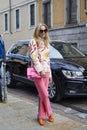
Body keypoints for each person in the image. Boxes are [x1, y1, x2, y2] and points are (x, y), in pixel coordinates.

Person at [29, 23, 54, 125]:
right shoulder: (33, 41)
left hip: (47, 71)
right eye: (41, 30)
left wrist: (50, 74)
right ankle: (50, 113)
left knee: (42, 95)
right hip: (38, 72)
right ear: (37, 31)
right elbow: (34, 57)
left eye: (45, 30)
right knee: (45, 94)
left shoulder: (46, 42)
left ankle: (41, 116)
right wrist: (40, 70)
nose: (43, 32)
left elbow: (48, 60)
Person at [0, 35, 6, 101]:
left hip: (1, 62)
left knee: (2, 79)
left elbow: (3, 49)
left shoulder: (1, 39)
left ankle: (1, 97)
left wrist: (4, 60)